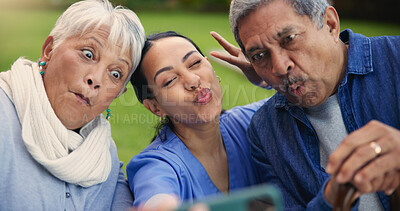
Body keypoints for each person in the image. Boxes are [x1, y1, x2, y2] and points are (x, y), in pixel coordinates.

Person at [210, 0, 400, 210]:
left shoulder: (395, 58)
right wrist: (334, 196)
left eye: (289, 39)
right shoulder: (266, 131)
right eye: (259, 56)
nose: (280, 67)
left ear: (330, 24)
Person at [0, 0, 145, 210]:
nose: (95, 79)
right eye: (88, 54)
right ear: (49, 50)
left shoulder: (103, 154)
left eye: (115, 74)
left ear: (119, 93)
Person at [127, 31, 265, 210]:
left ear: (211, 67)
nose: (193, 80)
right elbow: (155, 194)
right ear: (155, 107)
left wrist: (267, 76)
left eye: (195, 63)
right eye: (169, 80)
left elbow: (305, 98)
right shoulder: (156, 164)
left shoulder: (252, 122)